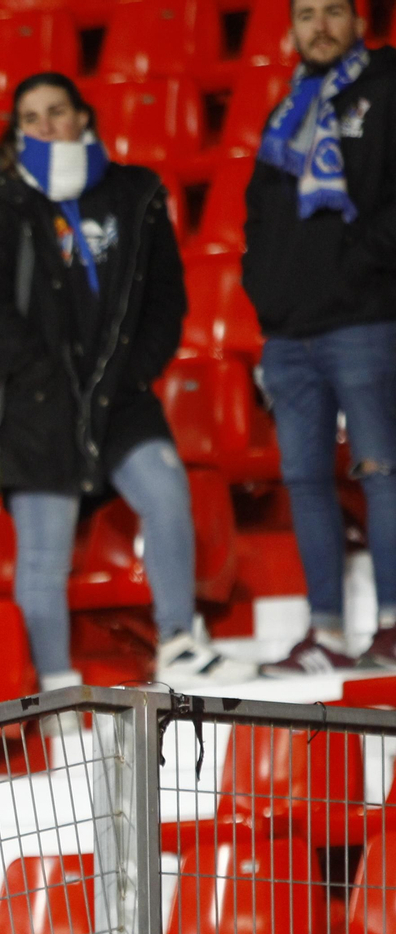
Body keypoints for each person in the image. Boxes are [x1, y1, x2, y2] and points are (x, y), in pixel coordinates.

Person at [0, 71, 255, 689]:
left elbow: (167, 301)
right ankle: (59, 694)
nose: (45, 126)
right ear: (17, 132)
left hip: (119, 397)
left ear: (82, 118)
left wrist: (135, 371)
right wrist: (37, 372)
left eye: (56, 111)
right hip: (39, 406)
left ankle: (179, 642)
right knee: (42, 557)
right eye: (30, 117)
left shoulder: (136, 193)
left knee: (167, 496)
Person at [241, 0, 396, 674]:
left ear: (359, 20)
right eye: (307, 14)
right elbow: (257, 220)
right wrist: (267, 293)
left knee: (384, 476)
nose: (320, 26)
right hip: (289, 335)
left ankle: (392, 626)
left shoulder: (387, 90)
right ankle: (326, 633)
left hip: (363, 319)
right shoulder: (288, 109)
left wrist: (356, 269)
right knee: (305, 481)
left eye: (334, 10)